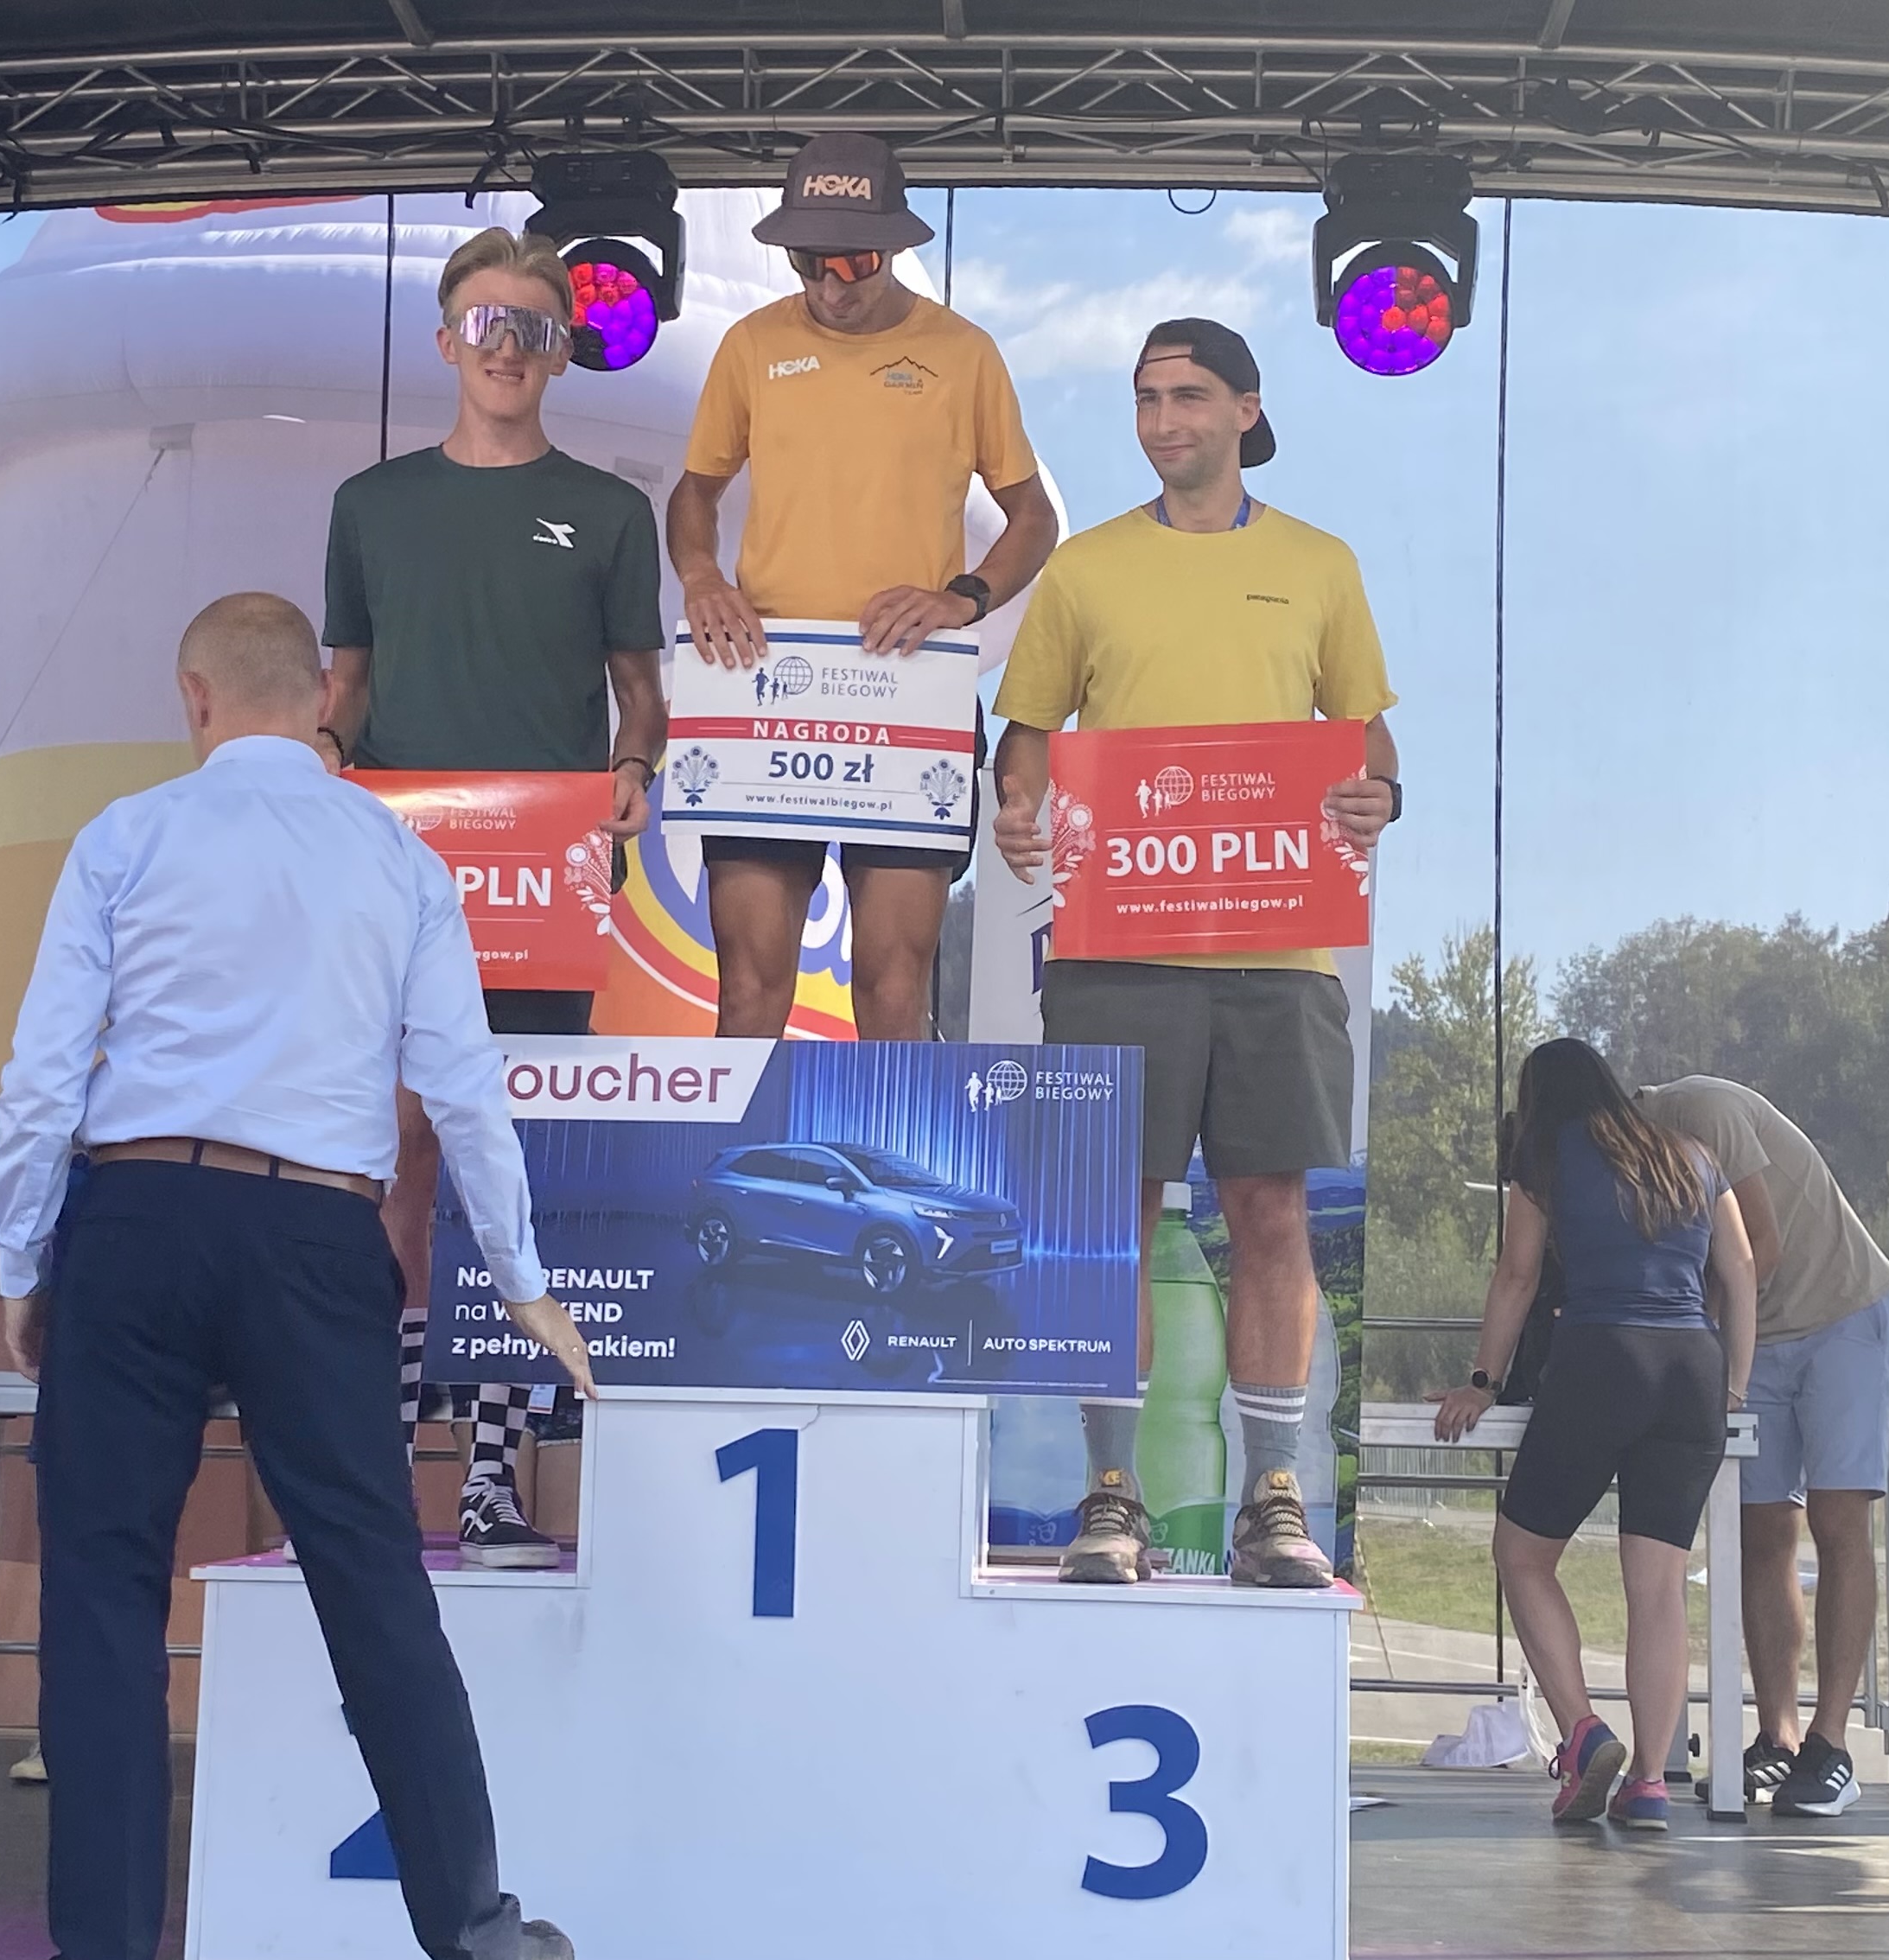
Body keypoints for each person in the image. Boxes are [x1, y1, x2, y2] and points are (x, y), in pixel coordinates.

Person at [0, 592, 596, 1960]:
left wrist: (28, 1257)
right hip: (319, 1230)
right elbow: (465, 1087)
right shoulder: (398, 858)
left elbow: (41, 1081)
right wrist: (520, 1274)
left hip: (135, 1215)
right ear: (324, 697)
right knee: (374, 1585)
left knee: (103, 1597)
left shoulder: (125, 835)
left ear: (193, 699)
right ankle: (476, 1935)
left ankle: (104, 1945)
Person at [987, 317, 1396, 1590]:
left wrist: (1378, 795)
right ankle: (1111, 1494)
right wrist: (1016, 805)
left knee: (1269, 1211)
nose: (1164, 421)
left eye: (1189, 397)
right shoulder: (1087, 568)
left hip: (1280, 953)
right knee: (1115, 1217)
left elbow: (1368, 741)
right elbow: (1027, 733)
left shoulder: (1320, 563)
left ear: (1245, 411)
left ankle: (1274, 1499)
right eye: (1146, 399)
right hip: (1118, 942)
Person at [321, 224, 665, 1570]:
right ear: (447, 340)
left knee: (508, 1172)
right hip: (399, 876)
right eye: (486, 324)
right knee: (398, 1160)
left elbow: (639, 689)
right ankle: (376, 1453)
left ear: (564, 350)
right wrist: (324, 757)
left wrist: (633, 768)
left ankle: (492, 1474)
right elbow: (347, 682)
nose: (507, 347)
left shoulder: (612, 512)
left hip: (544, 881)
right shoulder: (371, 505)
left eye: (533, 327)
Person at [671, 130, 1060, 1040]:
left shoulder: (964, 352)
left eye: (854, 262)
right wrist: (700, 574)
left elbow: (1032, 518)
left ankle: (891, 1145)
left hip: (910, 686)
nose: (831, 286)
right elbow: (696, 491)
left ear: (896, 246)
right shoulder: (751, 344)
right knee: (749, 989)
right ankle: (739, 1143)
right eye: (809, 262)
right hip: (767, 683)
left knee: (893, 989)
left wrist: (964, 596)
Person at [1434, 1039, 1757, 1833]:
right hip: (1694, 1372)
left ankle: (1582, 1734)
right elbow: (1743, 1269)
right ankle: (1649, 1783)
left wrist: (1482, 1381)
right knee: (1658, 1588)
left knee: (1522, 1554)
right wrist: (1735, 1385)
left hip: (1601, 1360)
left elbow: (1517, 1275)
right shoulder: (1691, 1155)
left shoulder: (1544, 1158)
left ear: (1537, 1099)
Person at [1635, 1074, 1889, 1817]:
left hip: (1841, 1312)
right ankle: (1779, 1736)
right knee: (1758, 1529)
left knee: (1839, 1520)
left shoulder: (1702, 1108)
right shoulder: (1624, 1161)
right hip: (1762, 1337)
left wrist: (1702, 1339)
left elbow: (1761, 1247)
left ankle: (1830, 1743)